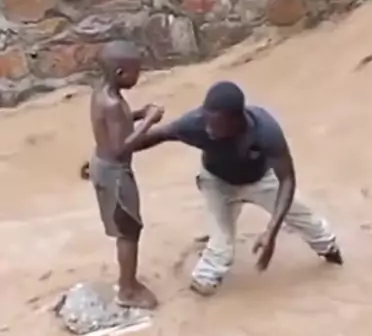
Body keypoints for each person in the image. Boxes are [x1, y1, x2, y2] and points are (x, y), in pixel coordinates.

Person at [133, 81, 343, 296]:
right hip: (217, 183)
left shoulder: (265, 130)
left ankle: (333, 259)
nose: (208, 129)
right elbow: (157, 135)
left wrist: (271, 232)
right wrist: (119, 151)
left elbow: (287, 180)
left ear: (236, 120)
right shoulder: (195, 123)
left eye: (216, 125)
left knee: (309, 223)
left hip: (260, 180)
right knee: (220, 250)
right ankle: (199, 297)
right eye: (206, 121)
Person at [88, 40, 164, 309]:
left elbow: (114, 126)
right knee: (129, 231)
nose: (138, 76)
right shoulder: (112, 103)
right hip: (116, 174)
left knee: (126, 229)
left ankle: (128, 282)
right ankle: (127, 290)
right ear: (120, 73)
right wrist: (149, 121)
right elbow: (121, 147)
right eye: (136, 72)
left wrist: (138, 114)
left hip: (102, 164)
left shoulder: (101, 93)